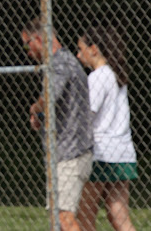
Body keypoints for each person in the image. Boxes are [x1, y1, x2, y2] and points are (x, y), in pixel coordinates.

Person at [21, 17, 93, 231]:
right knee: (58, 220)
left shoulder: (60, 63)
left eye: (27, 44)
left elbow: (49, 97)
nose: (27, 51)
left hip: (71, 154)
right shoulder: (61, 62)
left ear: (38, 39)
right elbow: (58, 103)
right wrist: (41, 117)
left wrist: (34, 109)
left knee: (64, 218)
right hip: (67, 153)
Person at [76, 25, 137, 231]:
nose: (78, 54)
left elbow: (86, 115)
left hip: (100, 153)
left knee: (84, 218)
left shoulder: (98, 76)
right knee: (119, 218)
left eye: (81, 48)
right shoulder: (116, 74)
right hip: (123, 152)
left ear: (93, 49)